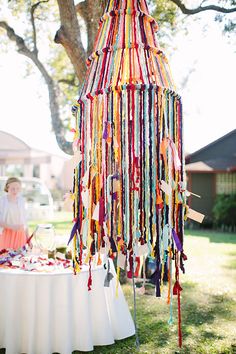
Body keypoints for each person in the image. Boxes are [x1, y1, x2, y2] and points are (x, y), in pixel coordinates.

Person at [0, 177, 28, 250]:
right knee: (5, 258)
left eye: (17, 188)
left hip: (20, 234)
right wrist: (12, 227)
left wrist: (28, 238)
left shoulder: (22, 201)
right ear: (7, 188)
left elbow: (25, 222)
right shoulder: (2, 201)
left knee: (20, 258)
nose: (15, 191)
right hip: (6, 234)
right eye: (13, 188)